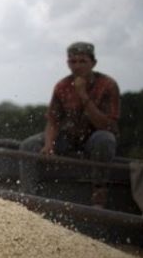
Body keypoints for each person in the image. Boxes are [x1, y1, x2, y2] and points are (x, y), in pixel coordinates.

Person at [19, 42, 120, 207]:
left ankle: (99, 190)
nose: (77, 66)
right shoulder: (62, 86)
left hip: (94, 138)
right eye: (73, 62)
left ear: (93, 63)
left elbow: (106, 125)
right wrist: (49, 144)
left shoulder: (107, 85)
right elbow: (53, 120)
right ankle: (28, 198)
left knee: (105, 140)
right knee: (28, 145)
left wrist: (82, 94)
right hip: (68, 137)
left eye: (82, 61)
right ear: (68, 64)